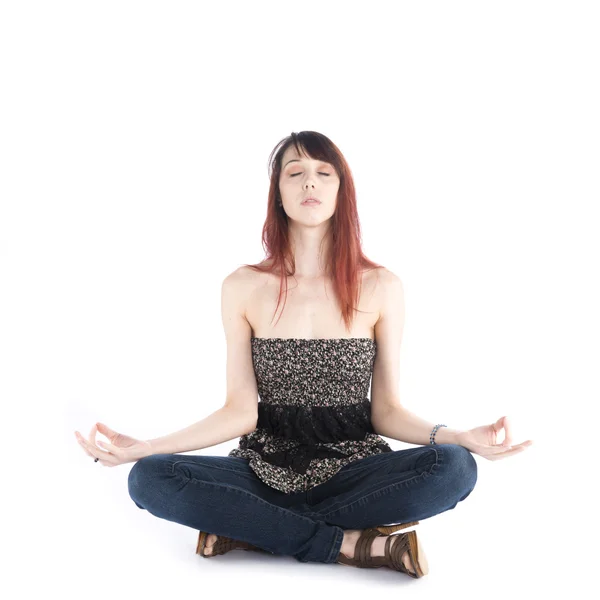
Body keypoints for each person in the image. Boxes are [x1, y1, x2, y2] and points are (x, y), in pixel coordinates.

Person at [74, 130, 533, 577]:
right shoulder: (243, 287)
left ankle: (254, 531)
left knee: (453, 467)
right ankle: (351, 544)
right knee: (151, 477)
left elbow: (388, 412)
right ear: (278, 193)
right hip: (263, 471)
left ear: (341, 190)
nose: (309, 182)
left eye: (323, 172)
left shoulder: (381, 286)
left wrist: (459, 436)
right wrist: (148, 447)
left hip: (355, 474)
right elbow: (239, 412)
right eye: (295, 173)